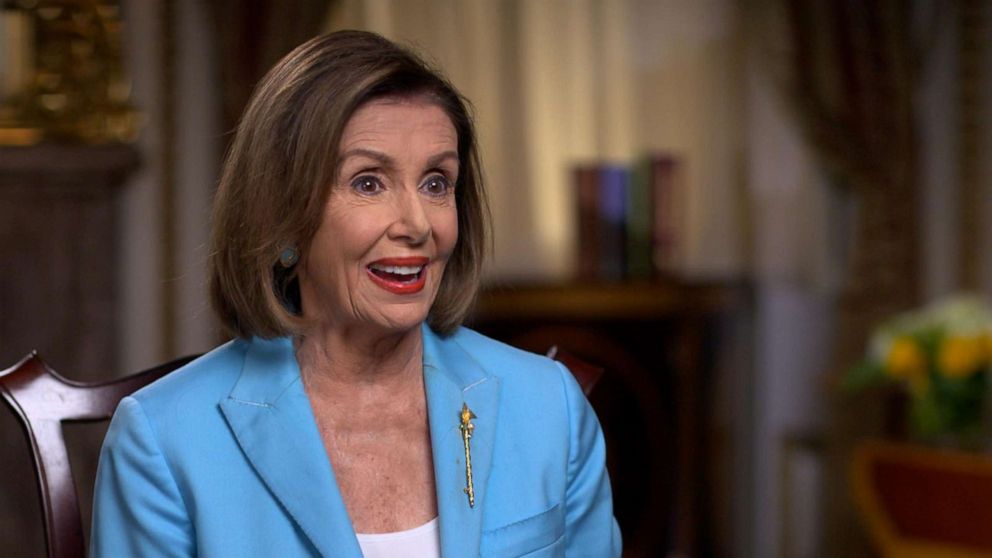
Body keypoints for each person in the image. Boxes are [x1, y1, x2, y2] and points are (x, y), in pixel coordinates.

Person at [91, 30, 621, 557]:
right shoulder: (162, 440)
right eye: (368, 182)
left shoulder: (550, 405)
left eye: (436, 183)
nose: (416, 224)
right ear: (281, 214)